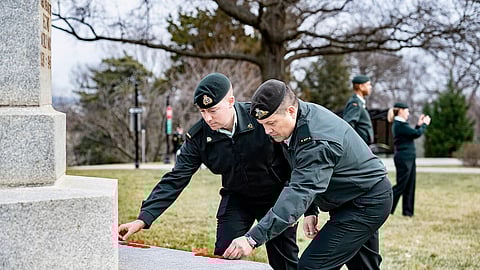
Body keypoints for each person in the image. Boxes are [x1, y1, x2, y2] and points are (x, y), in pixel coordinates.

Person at [118, 73, 299, 270]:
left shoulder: (261, 119)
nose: (207, 118)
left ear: (230, 101)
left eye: (213, 110)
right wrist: (143, 218)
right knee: (223, 258)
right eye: (202, 111)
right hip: (237, 199)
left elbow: (294, 162)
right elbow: (176, 178)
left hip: (276, 198)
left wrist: (304, 208)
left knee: (285, 263)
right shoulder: (199, 137)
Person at [223, 79, 393, 270]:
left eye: (271, 123)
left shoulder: (315, 140)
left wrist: (252, 238)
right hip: (352, 197)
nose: (267, 130)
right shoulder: (300, 118)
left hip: (367, 202)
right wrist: (311, 210)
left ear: (290, 111)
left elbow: (299, 191)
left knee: (311, 267)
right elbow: (301, 171)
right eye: (262, 124)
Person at [387, 102, 431, 217]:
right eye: (407, 111)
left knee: (410, 185)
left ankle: (408, 212)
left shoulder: (402, 124)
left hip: (409, 158)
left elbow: (411, 134)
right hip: (403, 159)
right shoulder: (399, 124)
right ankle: (387, 207)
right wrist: (424, 124)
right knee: (401, 185)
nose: (408, 113)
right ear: (401, 110)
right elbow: (416, 134)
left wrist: (419, 125)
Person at [343, 75, 374, 145]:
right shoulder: (355, 103)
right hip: (359, 145)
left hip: (363, 144)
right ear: (361, 87)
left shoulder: (360, 102)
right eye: (368, 85)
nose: (370, 87)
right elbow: (349, 124)